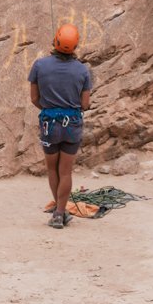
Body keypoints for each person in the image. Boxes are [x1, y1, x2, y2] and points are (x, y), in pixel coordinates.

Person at [28, 24, 92, 229]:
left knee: (52, 169)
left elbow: (34, 99)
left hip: (49, 123)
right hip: (72, 124)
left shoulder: (39, 65)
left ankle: (59, 212)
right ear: (75, 46)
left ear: (55, 41)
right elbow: (85, 104)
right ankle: (60, 212)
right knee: (66, 171)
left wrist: (48, 109)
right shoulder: (83, 70)